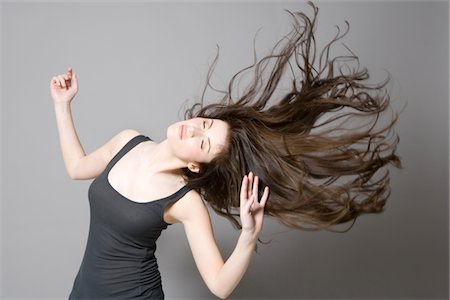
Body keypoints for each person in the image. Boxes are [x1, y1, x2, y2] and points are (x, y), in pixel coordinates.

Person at [50, 2, 401, 299]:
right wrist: (62, 105)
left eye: (203, 143)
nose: (195, 130)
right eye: (204, 125)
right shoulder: (126, 140)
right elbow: (76, 166)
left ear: (196, 165)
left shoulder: (184, 201)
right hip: (82, 291)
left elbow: (218, 285)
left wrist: (248, 236)